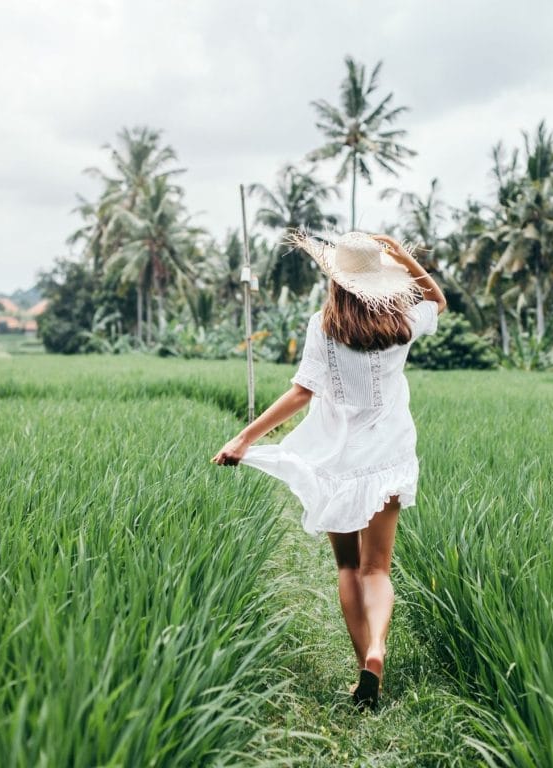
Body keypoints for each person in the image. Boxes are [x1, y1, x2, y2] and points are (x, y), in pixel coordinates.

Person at [211, 231, 446, 711]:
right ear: (379, 280)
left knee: (348, 566)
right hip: (390, 454)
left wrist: (244, 439)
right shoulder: (403, 320)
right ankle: (378, 649)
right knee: (378, 568)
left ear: (335, 279)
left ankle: (365, 668)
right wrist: (402, 256)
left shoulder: (323, 326)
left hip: (339, 462)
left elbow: (302, 392)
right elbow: (438, 300)